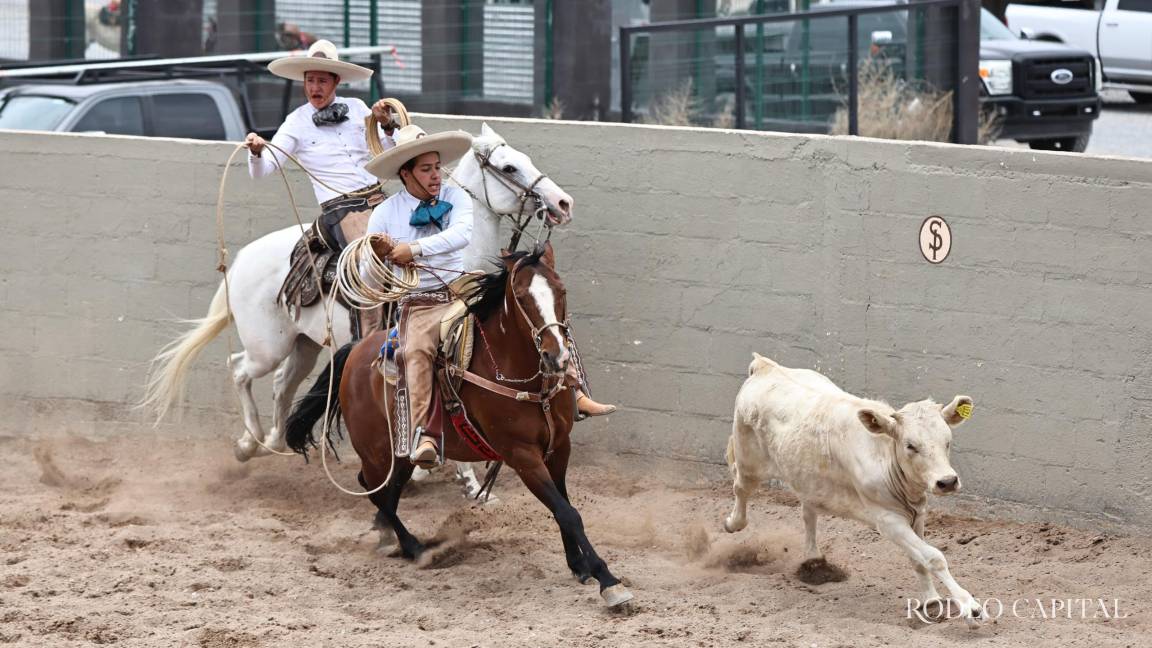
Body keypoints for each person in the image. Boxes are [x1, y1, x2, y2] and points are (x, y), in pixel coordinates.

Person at [244, 39, 397, 336]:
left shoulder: (357, 108)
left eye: (322, 81)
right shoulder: (296, 122)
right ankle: (368, 339)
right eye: (310, 81)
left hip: (378, 198)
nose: (315, 87)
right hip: (342, 211)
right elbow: (264, 170)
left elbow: (388, 148)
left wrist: (387, 124)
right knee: (371, 260)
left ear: (335, 82)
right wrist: (256, 152)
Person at [362, 124, 476, 468]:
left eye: (437, 167)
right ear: (406, 173)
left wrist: (413, 248)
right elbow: (369, 274)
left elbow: (463, 234)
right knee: (416, 350)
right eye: (426, 169)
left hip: (463, 288)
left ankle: (571, 390)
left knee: (527, 306)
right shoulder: (384, 213)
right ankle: (427, 432)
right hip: (421, 301)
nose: (436, 176)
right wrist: (378, 255)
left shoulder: (457, 197)